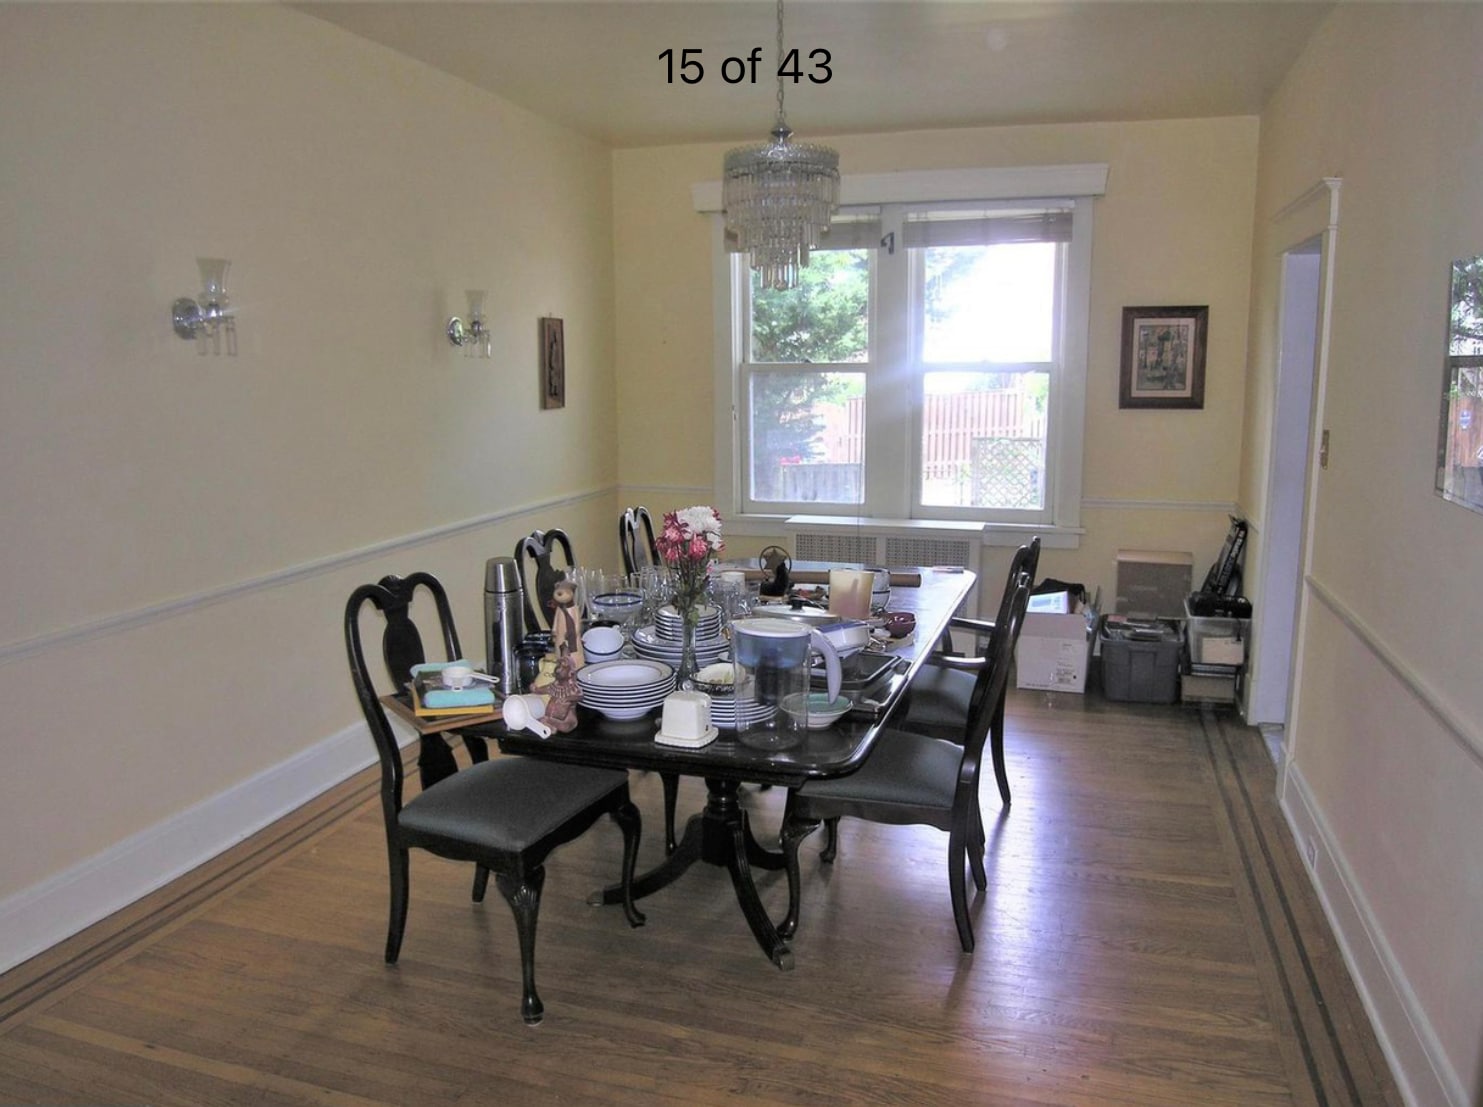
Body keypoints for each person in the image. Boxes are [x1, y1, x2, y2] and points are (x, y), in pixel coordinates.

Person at [549, 578, 584, 668]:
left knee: (573, 653)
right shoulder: (559, 609)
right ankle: (561, 667)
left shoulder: (574, 609)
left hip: (572, 638)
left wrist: (573, 633)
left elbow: (577, 623)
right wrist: (554, 631)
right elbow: (556, 622)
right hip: (560, 636)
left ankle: (576, 666)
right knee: (560, 650)